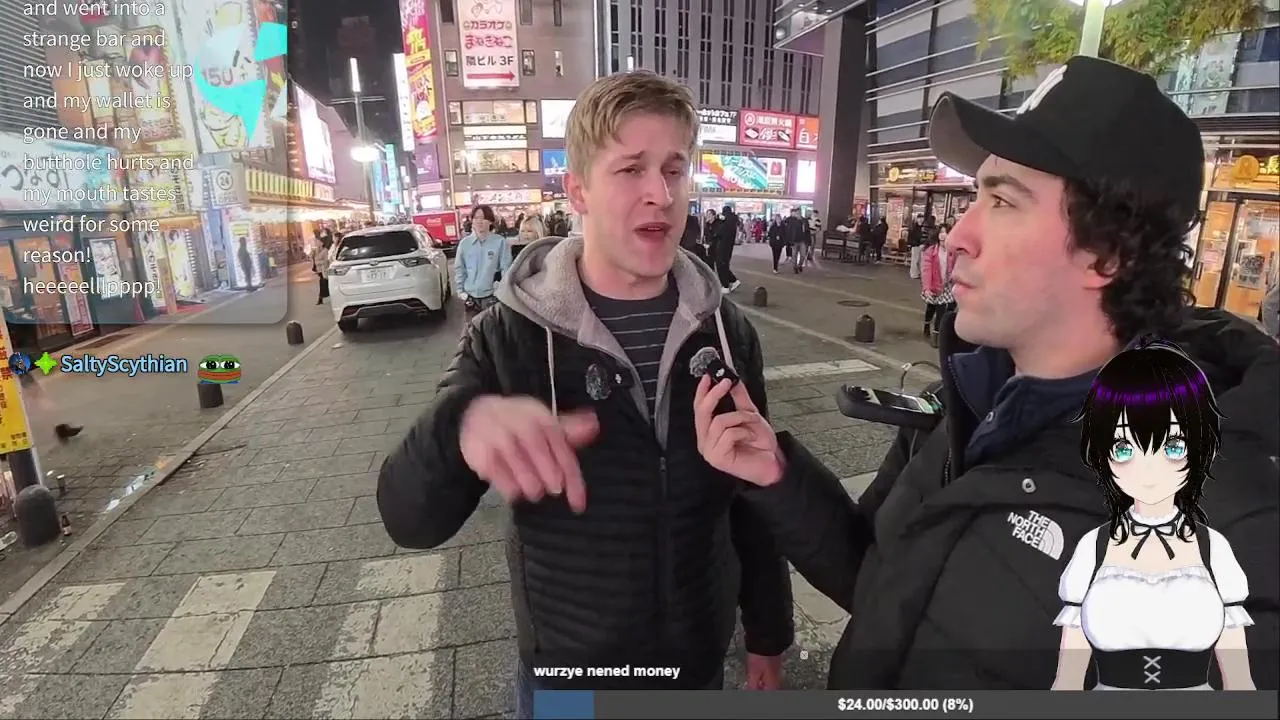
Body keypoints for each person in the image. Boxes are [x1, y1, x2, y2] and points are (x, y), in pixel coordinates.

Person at [690, 55, 1278, 690]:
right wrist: (779, 478)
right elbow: (886, 586)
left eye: (1002, 200)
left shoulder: (1221, 534)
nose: (956, 236)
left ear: (1106, 254)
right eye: (976, 196)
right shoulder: (966, 400)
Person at [376, 69, 794, 717]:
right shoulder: (510, 336)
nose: (660, 194)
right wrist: (459, 429)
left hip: (697, 664)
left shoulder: (724, 329)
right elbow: (408, 520)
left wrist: (768, 632)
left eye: (674, 169)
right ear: (579, 191)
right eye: (631, 170)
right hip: (571, 681)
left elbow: (753, 494)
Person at [1051, 339, 1256, 691]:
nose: (1148, 471)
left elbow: (1239, 682)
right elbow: (1067, 681)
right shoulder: (1092, 548)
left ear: (1200, 446)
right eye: (1123, 448)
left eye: (1173, 447)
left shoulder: (1214, 550)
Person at [453, 204, 512, 325]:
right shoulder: (465, 244)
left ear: (490, 221)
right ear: (472, 221)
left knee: (492, 331)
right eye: (476, 218)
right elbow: (460, 268)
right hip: (470, 297)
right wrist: (461, 291)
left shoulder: (500, 242)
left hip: (492, 297)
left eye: (484, 218)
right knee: (472, 331)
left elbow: (506, 268)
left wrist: (500, 290)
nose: (480, 221)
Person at [920, 221, 955, 347]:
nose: (943, 235)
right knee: (931, 307)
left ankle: (936, 336)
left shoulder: (953, 251)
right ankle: (926, 326)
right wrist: (927, 288)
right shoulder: (931, 251)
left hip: (946, 286)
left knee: (941, 310)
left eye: (946, 232)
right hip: (934, 285)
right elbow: (926, 270)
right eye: (941, 232)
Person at [713, 204, 741, 292]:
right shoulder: (732, 221)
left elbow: (718, 232)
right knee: (724, 265)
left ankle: (726, 285)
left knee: (721, 265)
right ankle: (733, 281)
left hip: (723, 246)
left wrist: (720, 222)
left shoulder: (727, 222)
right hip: (728, 247)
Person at [313, 232, 333, 305]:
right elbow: (314, 259)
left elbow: (326, 261)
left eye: (318, 242)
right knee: (323, 284)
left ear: (322, 243)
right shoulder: (316, 250)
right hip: (319, 270)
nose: (317, 243)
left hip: (324, 270)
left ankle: (320, 299)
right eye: (316, 242)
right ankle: (321, 298)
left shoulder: (325, 251)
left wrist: (318, 262)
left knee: (323, 284)